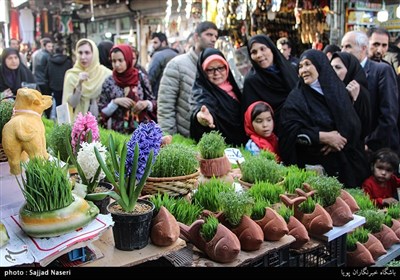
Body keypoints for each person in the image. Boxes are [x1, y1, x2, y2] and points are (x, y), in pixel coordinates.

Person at [279, 49, 369, 188]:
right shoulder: (296, 99)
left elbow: (353, 124)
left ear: (321, 65)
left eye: (308, 64)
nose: (303, 70)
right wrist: (322, 137)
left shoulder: (338, 91)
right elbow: (288, 131)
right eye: (300, 66)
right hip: (314, 171)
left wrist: (339, 140)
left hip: (346, 167)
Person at [341, 31, 399, 155]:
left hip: (377, 151)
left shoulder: (382, 70)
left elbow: (388, 115)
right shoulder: (344, 72)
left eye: (348, 46)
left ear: (363, 48)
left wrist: (369, 143)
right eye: (342, 47)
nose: (343, 50)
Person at [157, 21, 218, 137]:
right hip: (184, 138)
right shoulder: (177, 65)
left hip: (209, 140)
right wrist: (171, 140)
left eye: (215, 36)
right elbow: (166, 107)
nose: (214, 39)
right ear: (196, 37)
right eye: (209, 35)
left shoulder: (215, 65)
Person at [242, 34, 298, 136]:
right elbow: (252, 117)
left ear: (271, 49)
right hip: (270, 138)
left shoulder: (289, 70)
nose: (259, 55)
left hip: (298, 128)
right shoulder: (252, 82)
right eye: (254, 52)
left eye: (263, 49)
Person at [190, 48, 247, 146]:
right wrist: (201, 117)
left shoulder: (235, 86)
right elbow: (201, 104)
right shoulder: (202, 91)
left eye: (220, 68)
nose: (216, 73)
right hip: (223, 150)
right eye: (210, 69)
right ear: (203, 72)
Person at [98, 44, 156, 134]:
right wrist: (115, 102)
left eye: (121, 60)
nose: (117, 64)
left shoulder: (141, 77)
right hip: (118, 133)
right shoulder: (109, 81)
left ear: (128, 59)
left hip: (143, 132)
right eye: (113, 61)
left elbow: (153, 102)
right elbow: (102, 112)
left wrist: (145, 104)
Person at [62, 39, 112, 122]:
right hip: (78, 124)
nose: (83, 57)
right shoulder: (72, 75)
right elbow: (71, 104)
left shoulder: (105, 74)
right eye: (80, 53)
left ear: (94, 54)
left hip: (101, 122)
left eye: (87, 53)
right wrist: (79, 84)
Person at [330, 52, 371, 140]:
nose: (332, 71)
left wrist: (355, 100)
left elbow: (364, 127)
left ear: (350, 69)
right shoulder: (326, 90)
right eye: (330, 67)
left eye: (338, 67)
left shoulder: (360, 93)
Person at [147, 32, 178, 98]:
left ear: (163, 43)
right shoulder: (176, 54)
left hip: (161, 94)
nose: (153, 45)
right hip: (176, 94)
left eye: (155, 43)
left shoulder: (157, 56)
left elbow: (150, 78)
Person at [45, 44, 73, 109]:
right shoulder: (68, 61)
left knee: (58, 104)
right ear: (63, 51)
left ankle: (59, 117)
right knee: (66, 104)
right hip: (65, 86)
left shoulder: (50, 61)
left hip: (55, 86)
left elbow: (47, 74)